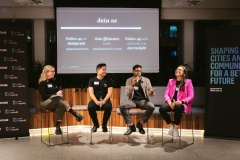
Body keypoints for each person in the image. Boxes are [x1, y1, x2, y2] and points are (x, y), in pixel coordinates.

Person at [39, 65, 84, 135]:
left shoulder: (54, 81)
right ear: (47, 72)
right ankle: (75, 114)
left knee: (61, 107)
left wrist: (59, 91)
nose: (54, 73)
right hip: (45, 103)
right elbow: (44, 96)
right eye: (52, 71)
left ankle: (58, 127)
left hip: (55, 103)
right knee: (57, 98)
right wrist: (55, 94)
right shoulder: (42, 83)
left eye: (54, 71)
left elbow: (59, 89)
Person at [159, 65, 194, 139]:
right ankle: (171, 124)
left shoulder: (188, 82)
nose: (177, 70)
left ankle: (176, 128)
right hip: (171, 102)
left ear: (183, 73)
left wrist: (181, 102)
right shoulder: (171, 81)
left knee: (178, 107)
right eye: (177, 69)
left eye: (180, 70)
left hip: (182, 104)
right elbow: (166, 94)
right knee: (162, 109)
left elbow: (191, 96)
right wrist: (169, 103)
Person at [119, 64, 155, 135]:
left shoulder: (146, 80)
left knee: (152, 107)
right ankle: (131, 125)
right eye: (136, 71)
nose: (138, 72)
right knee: (122, 106)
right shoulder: (129, 80)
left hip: (143, 101)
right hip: (132, 101)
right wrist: (132, 84)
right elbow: (127, 93)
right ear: (133, 72)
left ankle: (140, 123)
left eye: (140, 71)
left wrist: (151, 92)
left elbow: (151, 93)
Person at [87, 63, 113, 132]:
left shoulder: (108, 80)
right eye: (103, 69)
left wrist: (104, 100)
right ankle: (96, 124)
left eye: (105, 70)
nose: (105, 71)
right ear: (98, 70)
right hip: (96, 99)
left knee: (108, 107)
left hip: (105, 99)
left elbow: (110, 92)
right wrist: (96, 101)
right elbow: (91, 92)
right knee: (90, 107)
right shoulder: (92, 80)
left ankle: (104, 125)